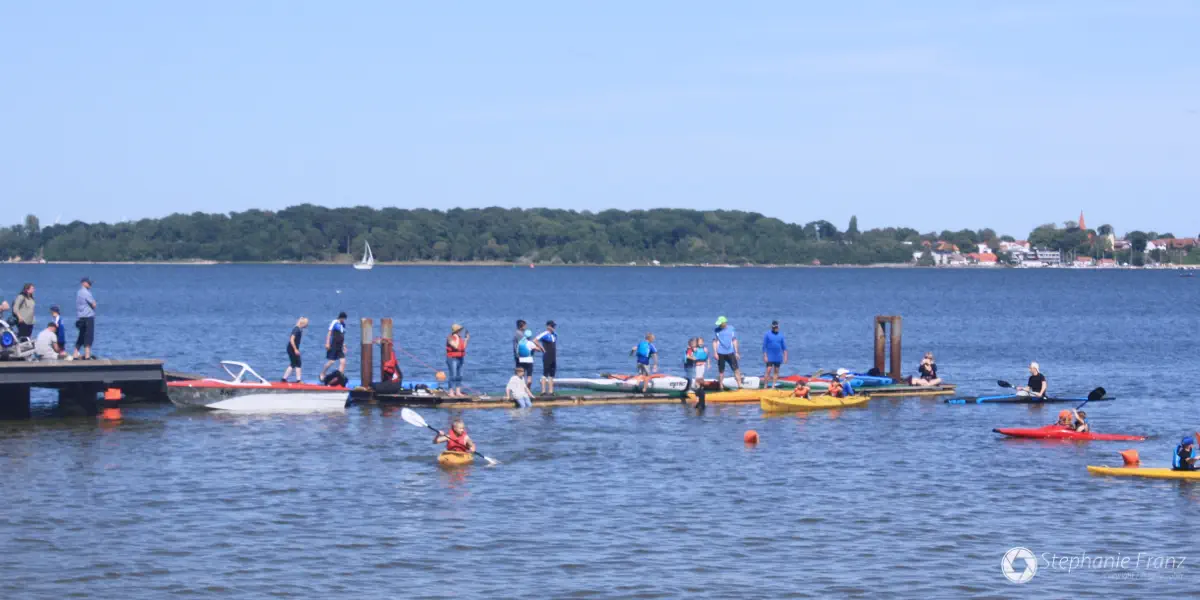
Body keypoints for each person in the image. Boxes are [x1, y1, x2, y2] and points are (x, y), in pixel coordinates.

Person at [712, 316, 742, 390]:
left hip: (730, 352)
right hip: (720, 353)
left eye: (720, 324)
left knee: (736, 369)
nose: (719, 325)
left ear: (724, 323)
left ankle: (740, 385)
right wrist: (715, 352)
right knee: (721, 371)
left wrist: (737, 352)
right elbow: (715, 342)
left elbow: (734, 340)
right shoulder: (716, 330)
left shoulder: (731, 329)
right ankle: (721, 386)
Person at [443, 323, 469, 397]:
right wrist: (457, 338)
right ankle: (451, 392)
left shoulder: (460, 338)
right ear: (456, 331)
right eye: (459, 330)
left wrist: (466, 339)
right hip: (452, 359)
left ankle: (458, 392)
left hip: (460, 358)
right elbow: (456, 346)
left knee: (459, 375)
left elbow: (462, 347)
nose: (460, 331)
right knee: (453, 375)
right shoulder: (450, 337)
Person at [321, 312, 348, 379]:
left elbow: (342, 335)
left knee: (343, 361)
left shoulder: (343, 324)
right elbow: (329, 333)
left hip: (340, 345)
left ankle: (339, 377)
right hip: (333, 344)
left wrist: (344, 345)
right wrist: (327, 343)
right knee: (331, 361)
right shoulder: (334, 322)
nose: (344, 320)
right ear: (340, 317)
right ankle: (323, 373)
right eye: (343, 318)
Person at [74, 277, 97, 359]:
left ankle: (75, 355)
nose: (90, 284)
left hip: (81, 317)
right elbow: (94, 304)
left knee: (81, 336)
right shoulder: (86, 292)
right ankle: (87, 356)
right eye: (88, 283)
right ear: (83, 283)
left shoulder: (78, 292)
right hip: (88, 317)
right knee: (88, 337)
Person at [762, 320, 788, 388]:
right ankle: (765, 386)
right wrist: (765, 356)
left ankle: (773, 386)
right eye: (774, 327)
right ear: (772, 327)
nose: (776, 328)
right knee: (768, 370)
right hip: (770, 356)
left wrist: (785, 357)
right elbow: (764, 346)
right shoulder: (767, 334)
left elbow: (784, 348)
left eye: (776, 327)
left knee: (776, 371)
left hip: (778, 356)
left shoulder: (781, 336)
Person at [282, 317, 308, 383]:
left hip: (291, 348)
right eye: (306, 324)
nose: (307, 325)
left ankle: (284, 379)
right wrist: (295, 349)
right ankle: (298, 380)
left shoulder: (299, 329)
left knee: (294, 363)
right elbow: (291, 339)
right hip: (292, 349)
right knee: (298, 363)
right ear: (303, 323)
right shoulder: (296, 329)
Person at [536, 321, 558, 395]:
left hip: (553, 356)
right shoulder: (544, 334)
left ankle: (551, 391)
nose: (553, 328)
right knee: (545, 374)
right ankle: (543, 391)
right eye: (552, 326)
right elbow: (535, 340)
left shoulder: (555, 335)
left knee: (552, 374)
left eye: (554, 326)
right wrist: (541, 348)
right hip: (547, 356)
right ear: (548, 326)